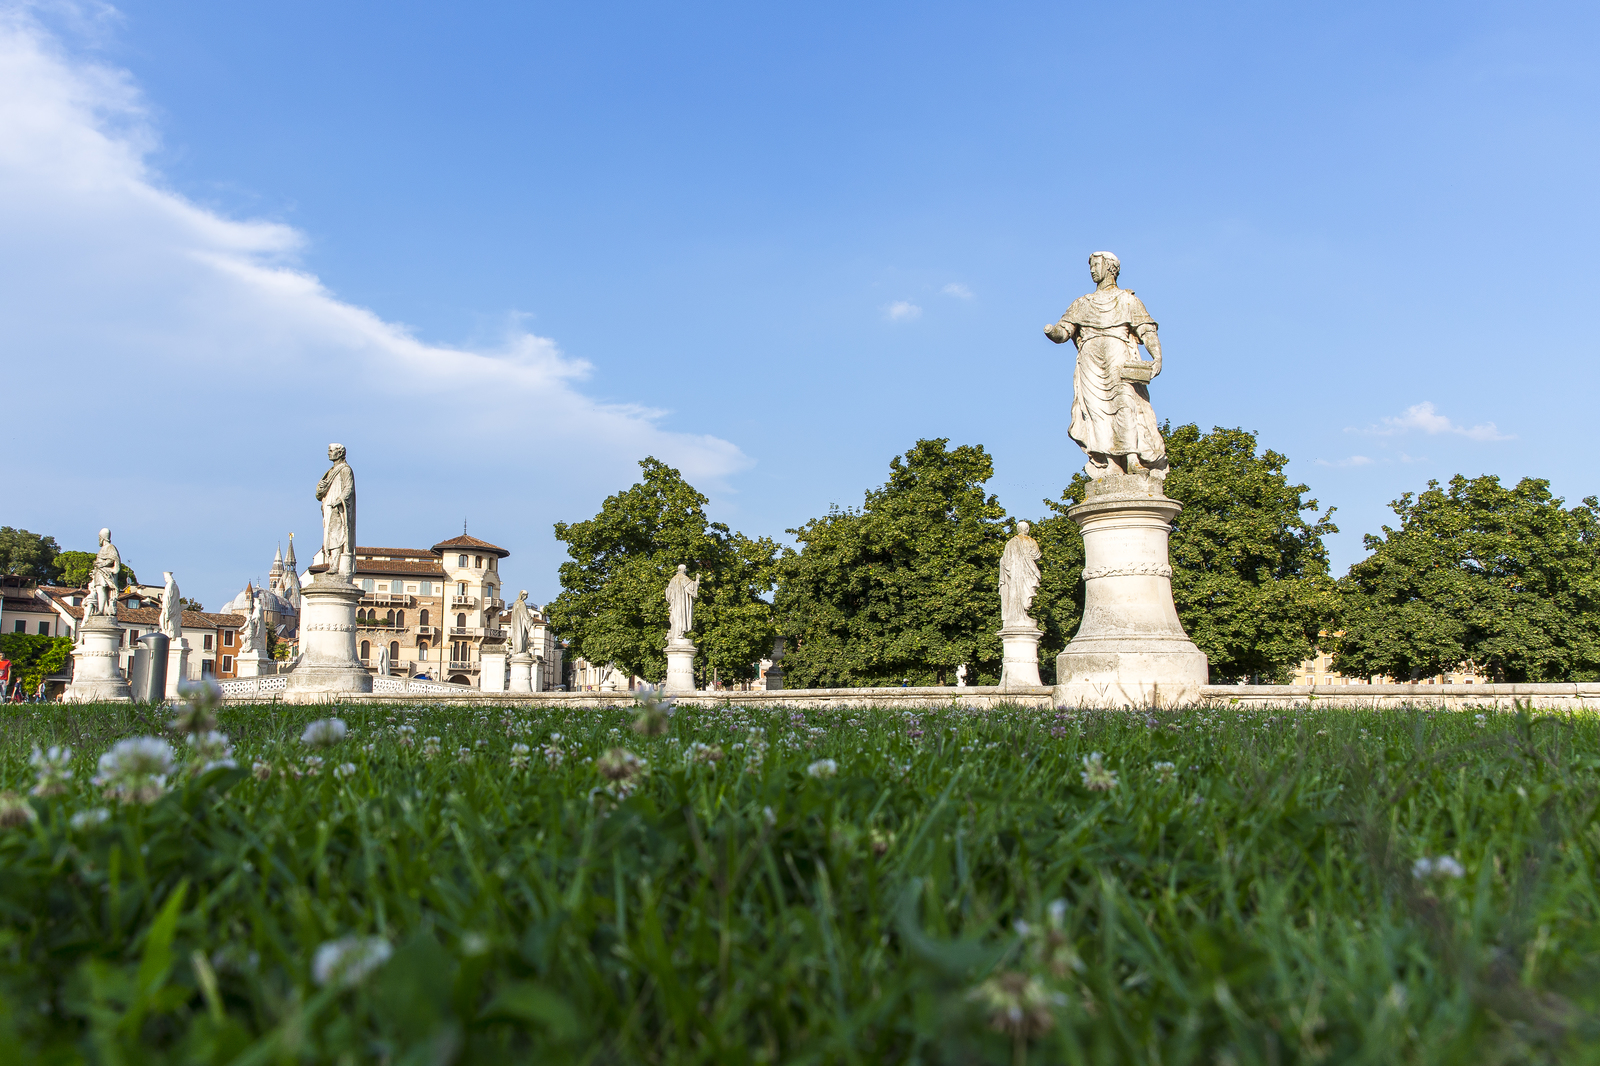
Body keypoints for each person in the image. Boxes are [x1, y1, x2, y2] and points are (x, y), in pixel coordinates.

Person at [1044, 251, 1169, 480]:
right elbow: (1064, 332)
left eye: (1095, 265)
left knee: (1125, 403)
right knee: (1096, 412)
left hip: (1118, 355)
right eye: (1090, 266)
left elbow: (1146, 330)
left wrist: (1157, 356)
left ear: (1110, 268)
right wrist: (1053, 332)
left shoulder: (1127, 300)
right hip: (1090, 360)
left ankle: (1132, 457)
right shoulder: (1082, 303)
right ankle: (1111, 463)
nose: (1092, 270)